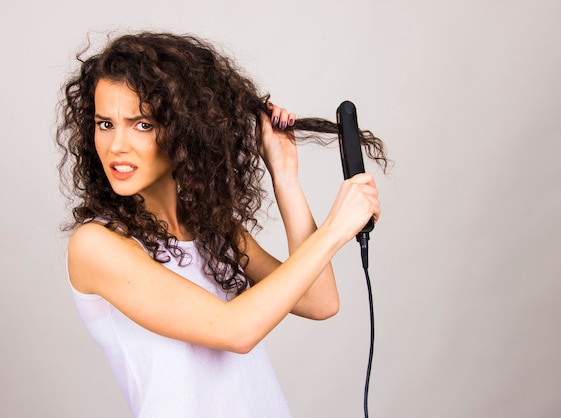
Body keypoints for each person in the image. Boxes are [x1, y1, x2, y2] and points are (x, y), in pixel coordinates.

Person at [56, 31, 388, 418]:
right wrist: (334, 229)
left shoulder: (214, 231)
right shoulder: (97, 244)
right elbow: (236, 330)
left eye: (141, 124)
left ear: (185, 131)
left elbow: (320, 301)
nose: (116, 146)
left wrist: (284, 175)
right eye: (105, 124)